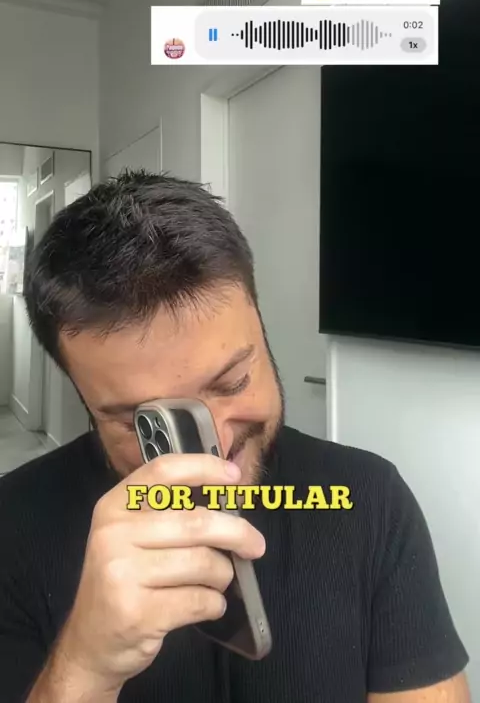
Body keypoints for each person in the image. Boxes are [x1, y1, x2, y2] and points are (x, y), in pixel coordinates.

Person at [0, 170, 471, 703]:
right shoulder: (12, 524)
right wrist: (85, 669)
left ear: (263, 331)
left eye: (231, 384)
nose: (214, 449)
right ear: (84, 402)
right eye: (140, 422)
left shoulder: (371, 499)